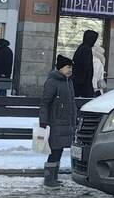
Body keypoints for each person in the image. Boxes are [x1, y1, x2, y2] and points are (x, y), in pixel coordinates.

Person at [39, 54, 77, 188]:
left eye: (71, 67)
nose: (70, 70)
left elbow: (71, 103)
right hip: (55, 123)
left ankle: (53, 177)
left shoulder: (69, 82)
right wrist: (43, 121)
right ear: (60, 68)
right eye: (68, 67)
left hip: (66, 123)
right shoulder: (53, 81)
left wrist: (74, 119)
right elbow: (45, 103)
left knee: (59, 150)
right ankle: (49, 179)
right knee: (54, 151)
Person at [72, 30, 97, 98]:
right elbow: (86, 67)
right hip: (83, 83)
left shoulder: (82, 47)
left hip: (79, 81)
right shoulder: (86, 49)